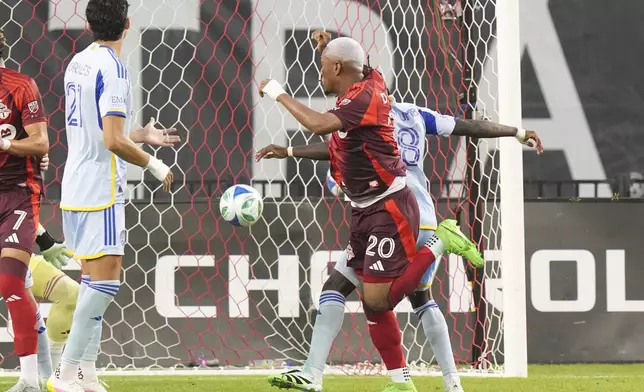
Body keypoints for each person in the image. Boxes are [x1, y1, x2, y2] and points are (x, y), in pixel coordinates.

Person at [257, 97, 543, 391]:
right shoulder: (416, 113)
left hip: (393, 213)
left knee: (353, 292)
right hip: (425, 215)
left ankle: (316, 373)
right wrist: (516, 132)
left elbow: (336, 151)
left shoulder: (366, 116)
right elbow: (468, 126)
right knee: (420, 299)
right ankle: (451, 384)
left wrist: (290, 151)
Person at [258, 30, 483, 392]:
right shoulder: (366, 82)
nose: (319, 75)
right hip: (365, 209)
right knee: (335, 286)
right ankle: (314, 374)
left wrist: (278, 93)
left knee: (380, 301)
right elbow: (353, 65)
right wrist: (326, 46)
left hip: (389, 209)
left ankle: (441, 241)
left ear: (335, 67)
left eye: (322, 68)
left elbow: (317, 125)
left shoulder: (362, 99)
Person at [47, 0, 176, 391]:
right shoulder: (115, 68)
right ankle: (65, 373)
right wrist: (154, 163)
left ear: (88, 25)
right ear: (129, 24)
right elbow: (113, 140)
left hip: (75, 184)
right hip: (101, 189)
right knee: (106, 284)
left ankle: (86, 373)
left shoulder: (79, 62)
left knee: (91, 283)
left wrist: (140, 135)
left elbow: (97, 130)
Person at [0, 26, 50, 392]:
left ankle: (31, 379)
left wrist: (10, 145)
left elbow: (40, 143)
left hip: (17, 193)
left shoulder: (20, 86)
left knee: (10, 283)